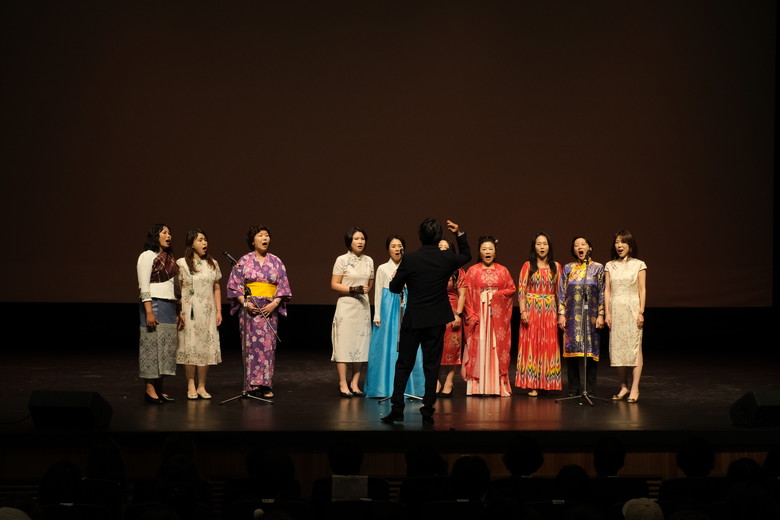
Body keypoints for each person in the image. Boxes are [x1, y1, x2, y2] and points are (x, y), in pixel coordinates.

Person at [381, 219, 470, 424]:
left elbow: (394, 288)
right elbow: (466, 255)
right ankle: (428, 410)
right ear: (438, 237)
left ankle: (397, 409)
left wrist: (402, 278)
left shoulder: (411, 259)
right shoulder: (446, 258)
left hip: (414, 319)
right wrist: (459, 233)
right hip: (436, 320)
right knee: (432, 366)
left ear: (420, 236)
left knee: (404, 365)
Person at [226, 225, 291, 399]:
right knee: (250, 347)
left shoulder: (276, 261)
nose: (264, 238)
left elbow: (283, 286)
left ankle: (266, 384)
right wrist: (244, 302)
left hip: (269, 310)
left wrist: (274, 304)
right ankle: (251, 385)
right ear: (252, 240)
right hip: (249, 311)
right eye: (260, 235)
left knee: (268, 347)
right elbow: (234, 285)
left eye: (267, 235)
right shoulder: (244, 261)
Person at [364, 235, 424, 398]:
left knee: (409, 345)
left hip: (407, 305)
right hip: (389, 308)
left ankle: (411, 388)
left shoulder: (410, 265)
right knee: (388, 346)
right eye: (393, 246)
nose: (397, 249)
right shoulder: (383, 268)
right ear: (388, 249)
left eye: (399, 246)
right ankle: (385, 386)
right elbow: (378, 292)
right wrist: (377, 314)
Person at [462, 236, 515, 397]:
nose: (487, 252)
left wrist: (496, 296)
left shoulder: (503, 271)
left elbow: (511, 289)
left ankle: (497, 387)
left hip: (496, 317)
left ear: (495, 252)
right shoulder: (473, 271)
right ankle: (477, 387)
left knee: (495, 347)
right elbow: (466, 294)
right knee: (480, 346)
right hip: (480, 316)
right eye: (484, 249)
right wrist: (471, 314)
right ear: (479, 252)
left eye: (490, 249)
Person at [137, 224, 182, 404]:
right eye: (164, 232)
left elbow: (174, 287)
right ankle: (149, 389)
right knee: (151, 346)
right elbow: (144, 284)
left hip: (169, 305)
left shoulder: (169, 258)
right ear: (156, 236)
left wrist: (178, 310)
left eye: (169, 232)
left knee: (165, 348)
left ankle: (160, 388)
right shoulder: (147, 255)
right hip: (154, 303)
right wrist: (149, 311)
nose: (168, 235)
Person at [176, 229, 222, 400]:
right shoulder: (182, 263)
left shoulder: (212, 263)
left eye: (205, 239)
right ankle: (190, 384)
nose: (204, 243)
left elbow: (216, 287)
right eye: (200, 240)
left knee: (205, 347)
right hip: (189, 312)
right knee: (190, 346)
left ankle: (202, 385)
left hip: (208, 312)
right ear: (192, 243)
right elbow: (178, 289)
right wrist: (178, 311)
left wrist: (219, 310)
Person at [515, 232, 563, 396]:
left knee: (548, 346)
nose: (542, 247)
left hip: (549, 311)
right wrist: (523, 311)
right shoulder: (527, 265)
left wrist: (561, 313)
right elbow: (521, 290)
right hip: (531, 310)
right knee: (532, 345)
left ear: (549, 247)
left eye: (545, 244)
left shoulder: (556, 266)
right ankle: (532, 384)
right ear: (534, 247)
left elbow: (559, 293)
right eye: (538, 244)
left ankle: (547, 382)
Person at [557, 236, 605, 396]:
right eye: (576, 245)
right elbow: (561, 293)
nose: (580, 247)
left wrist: (601, 314)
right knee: (571, 352)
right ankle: (573, 389)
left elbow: (602, 292)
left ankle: (590, 389)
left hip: (591, 317)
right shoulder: (568, 268)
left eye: (583, 244)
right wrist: (561, 314)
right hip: (571, 317)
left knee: (590, 353)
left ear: (589, 248)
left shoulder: (598, 268)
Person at [331, 226, 374, 397]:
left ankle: (355, 383)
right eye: (356, 238)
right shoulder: (342, 260)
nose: (360, 242)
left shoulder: (369, 260)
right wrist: (352, 289)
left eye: (362, 238)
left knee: (361, 345)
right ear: (349, 241)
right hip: (346, 305)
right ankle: (342, 382)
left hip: (362, 307)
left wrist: (363, 290)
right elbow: (334, 284)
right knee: (344, 344)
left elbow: (370, 284)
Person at [605, 230, 647, 403]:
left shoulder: (639, 264)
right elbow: (607, 290)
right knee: (618, 349)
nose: (619, 245)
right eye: (617, 242)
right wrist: (607, 312)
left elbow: (642, 289)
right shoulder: (610, 265)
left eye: (623, 242)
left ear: (630, 245)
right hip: (616, 311)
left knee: (635, 348)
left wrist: (641, 312)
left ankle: (635, 388)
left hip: (632, 311)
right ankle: (624, 386)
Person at [436, 239, 467, 397]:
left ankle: (449, 381)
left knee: (451, 348)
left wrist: (458, 314)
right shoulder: (431, 268)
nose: (442, 250)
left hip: (452, 311)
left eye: (446, 248)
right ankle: (436, 380)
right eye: (439, 247)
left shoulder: (458, 271)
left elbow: (462, 294)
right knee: (435, 347)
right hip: (434, 311)